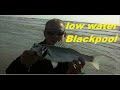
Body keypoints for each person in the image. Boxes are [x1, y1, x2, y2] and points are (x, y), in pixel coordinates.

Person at [6, 18, 85, 74]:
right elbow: (9, 72)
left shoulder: (71, 56)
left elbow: (80, 73)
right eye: (50, 32)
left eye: (59, 33)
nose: (55, 36)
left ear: (65, 35)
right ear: (45, 34)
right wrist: (21, 64)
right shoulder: (34, 52)